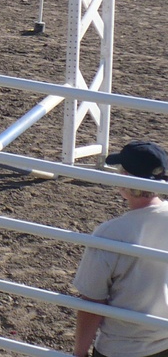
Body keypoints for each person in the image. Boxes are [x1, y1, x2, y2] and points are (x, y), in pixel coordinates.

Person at [72, 140, 168, 357]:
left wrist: (79, 351)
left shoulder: (110, 234)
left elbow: (92, 302)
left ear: (124, 178)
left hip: (123, 348)